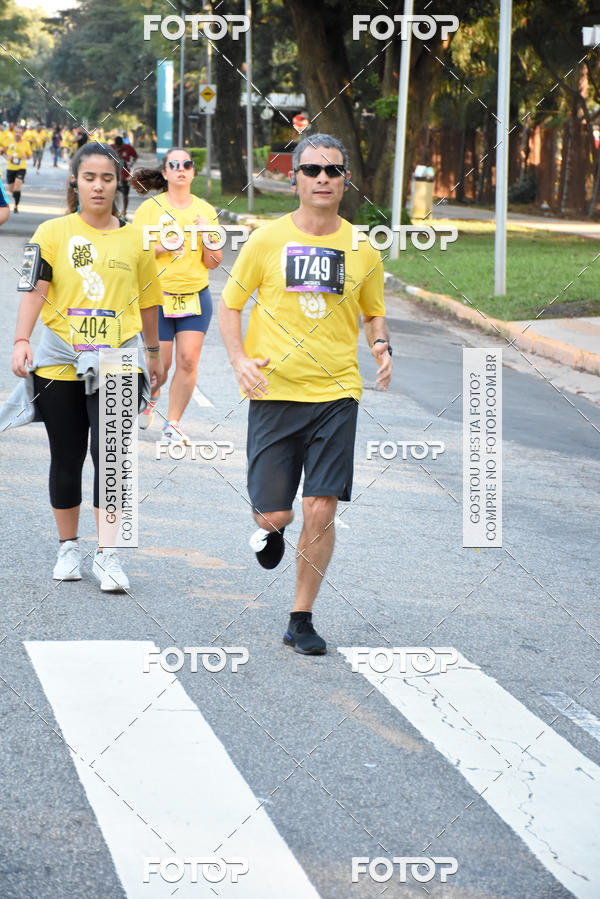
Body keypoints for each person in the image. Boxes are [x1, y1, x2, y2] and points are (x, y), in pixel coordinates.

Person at [219, 133, 393, 656]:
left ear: (345, 181)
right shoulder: (266, 241)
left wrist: (381, 344)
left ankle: (301, 618)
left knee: (320, 507)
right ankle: (270, 531)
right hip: (275, 391)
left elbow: (371, 310)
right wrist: (239, 360)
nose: (324, 179)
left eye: (334, 171)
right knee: (276, 515)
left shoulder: (362, 248)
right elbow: (229, 307)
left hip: (337, 391)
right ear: (293, 177)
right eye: (313, 170)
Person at [0, 142, 164, 591]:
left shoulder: (135, 238)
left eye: (107, 178)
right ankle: (68, 546)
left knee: (113, 459)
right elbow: (35, 290)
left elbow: (149, 301)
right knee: (66, 456)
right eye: (90, 177)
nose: (98, 186)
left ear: (118, 184)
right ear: (75, 180)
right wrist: (20, 341)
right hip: (59, 361)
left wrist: (153, 355)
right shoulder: (52, 232)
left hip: (116, 359)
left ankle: (108, 555)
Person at [131, 147, 222, 443]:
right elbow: (133, 254)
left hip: (195, 296)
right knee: (162, 363)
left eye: (187, 164)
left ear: (193, 172)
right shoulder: (149, 210)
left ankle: (173, 422)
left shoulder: (206, 211)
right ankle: (152, 395)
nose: (181, 168)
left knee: (187, 359)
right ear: (166, 172)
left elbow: (214, 261)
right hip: (157, 298)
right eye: (175, 164)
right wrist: (162, 247)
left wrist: (208, 235)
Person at [1, 124, 32, 213]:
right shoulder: (8, 141)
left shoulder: (26, 143)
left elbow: (29, 155)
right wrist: (7, 157)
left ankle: (16, 206)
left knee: (18, 184)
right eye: (16, 132)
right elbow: (2, 152)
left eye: (20, 132)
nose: (18, 134)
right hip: (10, 167)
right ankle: (16, 196)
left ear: (22, 134)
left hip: (21, 167)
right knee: (11, 189)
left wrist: (26, 156)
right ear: (14, 133)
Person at [111, 135, 138, 218]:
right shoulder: (111, 147)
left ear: (122, 143)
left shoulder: (128, 148)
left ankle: (124, 212)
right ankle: (113, 211)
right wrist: (116, 151)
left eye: (120, 146)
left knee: (125, 194)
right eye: (117, 146)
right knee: (112, 194)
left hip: (125, 175)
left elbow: (135, 156)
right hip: (113, 175)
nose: (119, 147)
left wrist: (132, 163)